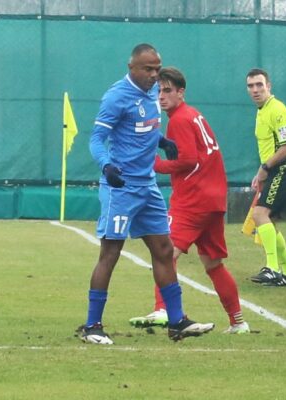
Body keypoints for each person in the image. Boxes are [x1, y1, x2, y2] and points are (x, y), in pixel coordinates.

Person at [79, 44, 214, 345]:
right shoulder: (116, 97)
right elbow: (97, 140)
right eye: (148, 69)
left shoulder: (153, 93)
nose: (155, 75)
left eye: (157, 69)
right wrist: (107, 166)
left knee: (164, 251)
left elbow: (144, 127)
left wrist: (163, 141)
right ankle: (92, 326)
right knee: (110, 253)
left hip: (148, 186)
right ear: (132, 67)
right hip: (121, 187)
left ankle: (176, 321)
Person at [128, 67, 250, 334]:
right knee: (213, 263)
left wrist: (155, 165)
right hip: (214, 199)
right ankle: (238, 322)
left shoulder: (179, 119)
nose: (161, 96)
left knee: (165, 253)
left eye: (167, 90)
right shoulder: (193, 115)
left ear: (181, 92)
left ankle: (163, 308)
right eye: (158, 91)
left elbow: (188, 160)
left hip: (193, 200)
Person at [245, 68, 286, 287]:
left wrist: (265, 168)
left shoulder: (277, 110)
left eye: (259, 85)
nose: (255, 90)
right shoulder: (262, 110)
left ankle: (272, 268)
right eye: (251, 86)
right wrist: (263, 173)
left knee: (260, 215)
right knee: (268, 221)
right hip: (274, 171)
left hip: (283, 169)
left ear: (269, 86)